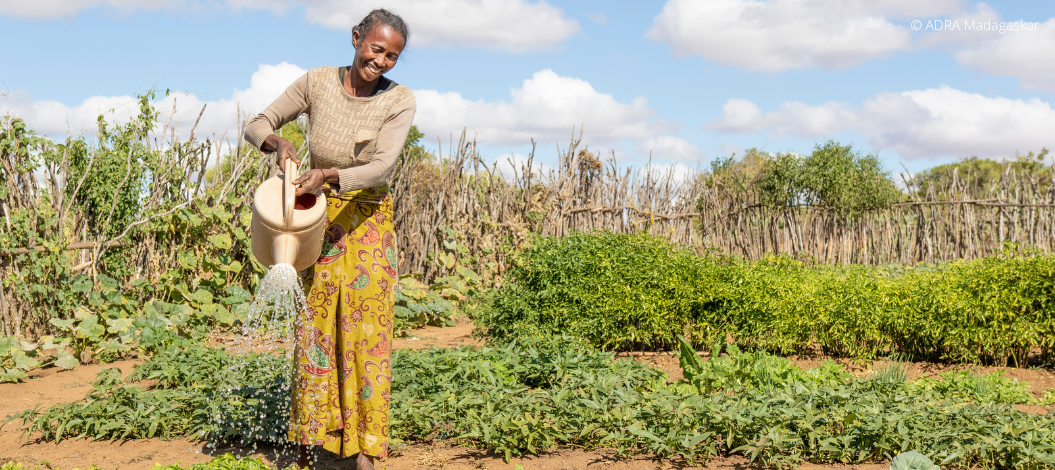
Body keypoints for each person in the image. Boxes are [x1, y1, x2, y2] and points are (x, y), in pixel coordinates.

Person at [242, 8, 415, 470]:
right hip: (317, 219)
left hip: (368, 221)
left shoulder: (399, 100)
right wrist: (278, 144)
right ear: (356, 38)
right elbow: (256, 123)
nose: (381, 61)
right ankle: (308, 444)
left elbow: (380, 166)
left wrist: (329, 174)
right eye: (375, 49)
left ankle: (365, 453)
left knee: (367, 333)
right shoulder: (317, 82)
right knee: (314, 328)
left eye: (392, 56)